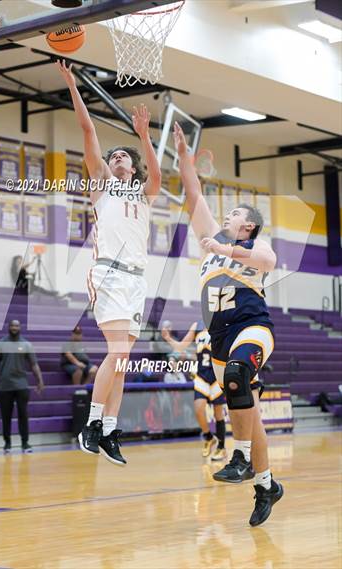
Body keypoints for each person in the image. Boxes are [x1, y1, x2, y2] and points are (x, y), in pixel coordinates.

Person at [174, 122, 283, 526]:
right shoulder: (212, 239)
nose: (227, 215)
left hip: (253, 328)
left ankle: (237, 458)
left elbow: (268, 263)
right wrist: (184, 155)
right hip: (219, 339)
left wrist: (225, 248)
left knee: (238, 374)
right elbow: (193, 192)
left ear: (249, 225)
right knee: (249, 414)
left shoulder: (256, 246)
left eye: (235, 213)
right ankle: (267, 484)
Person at [57, 60, 161, 466]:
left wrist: (143, 137)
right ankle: (92, 425)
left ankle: (111, 430)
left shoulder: (145, 193)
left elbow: (155, 171)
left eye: (123, 156)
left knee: (123, 360)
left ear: (131, 167)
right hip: (109, 275)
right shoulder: (101, 186)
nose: (116, 158)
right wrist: (71, 85)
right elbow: (88, 132)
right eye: (113, 155)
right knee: (117, 353)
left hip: (137, 281)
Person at [162, 321, 227, 460]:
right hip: (202, 375)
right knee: (198, 408)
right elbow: (181, 347)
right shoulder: (196, 325)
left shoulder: (222, 322)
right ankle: (209, 437)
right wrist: (168, 338)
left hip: (217, 374)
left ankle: (221, 447)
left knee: (218, 413)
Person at [0, 320, 45, 454]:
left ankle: (25, 443)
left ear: (20, 327)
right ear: (8, 327)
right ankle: (7, 444)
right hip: (5, 386)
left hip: (21, 385)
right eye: (12, 325)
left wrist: (40, 381)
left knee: (23, 415)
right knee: (6, 416)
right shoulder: (1, 344)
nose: (14, 328)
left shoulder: (26, 344)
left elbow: (34, 364)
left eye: (17, 326)